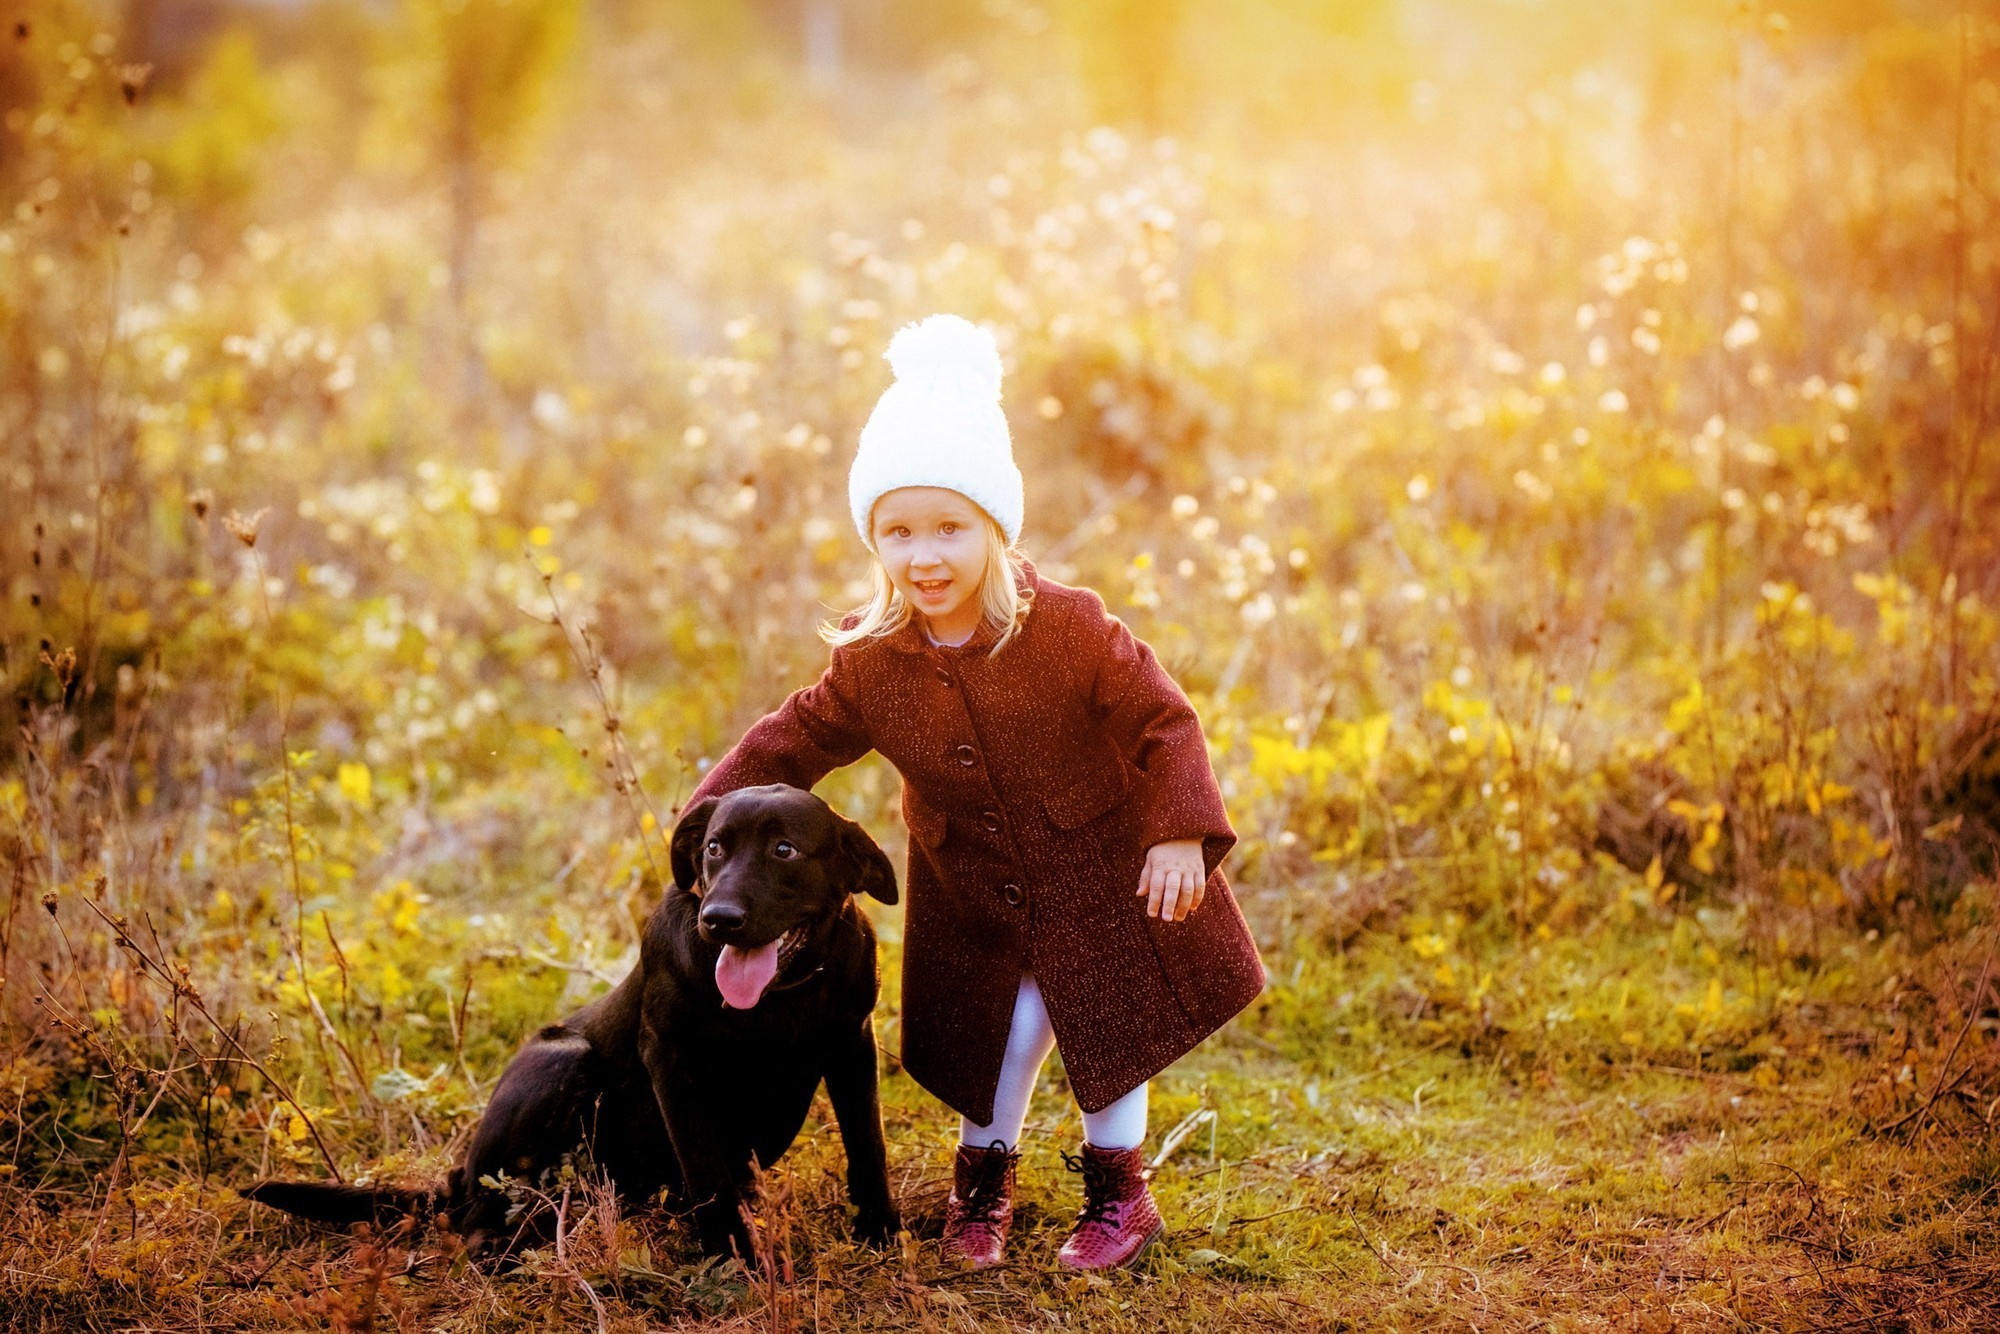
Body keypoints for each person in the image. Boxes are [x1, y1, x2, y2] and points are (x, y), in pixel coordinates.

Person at [683, 314, 1264, 1270]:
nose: (925, 555)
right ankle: (981, 1188)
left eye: (950, 527)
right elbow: (797, 736)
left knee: (1102, 1020)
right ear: (875, 542)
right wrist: (700, 825)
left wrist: (1178, 834)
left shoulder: (1068, 627)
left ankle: (1121, 1194)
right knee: (1000, 1032)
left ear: (995, 527)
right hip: (973, 892)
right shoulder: (873, 658)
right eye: (898, 532)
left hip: (1096, 870)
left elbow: (1165, 719)